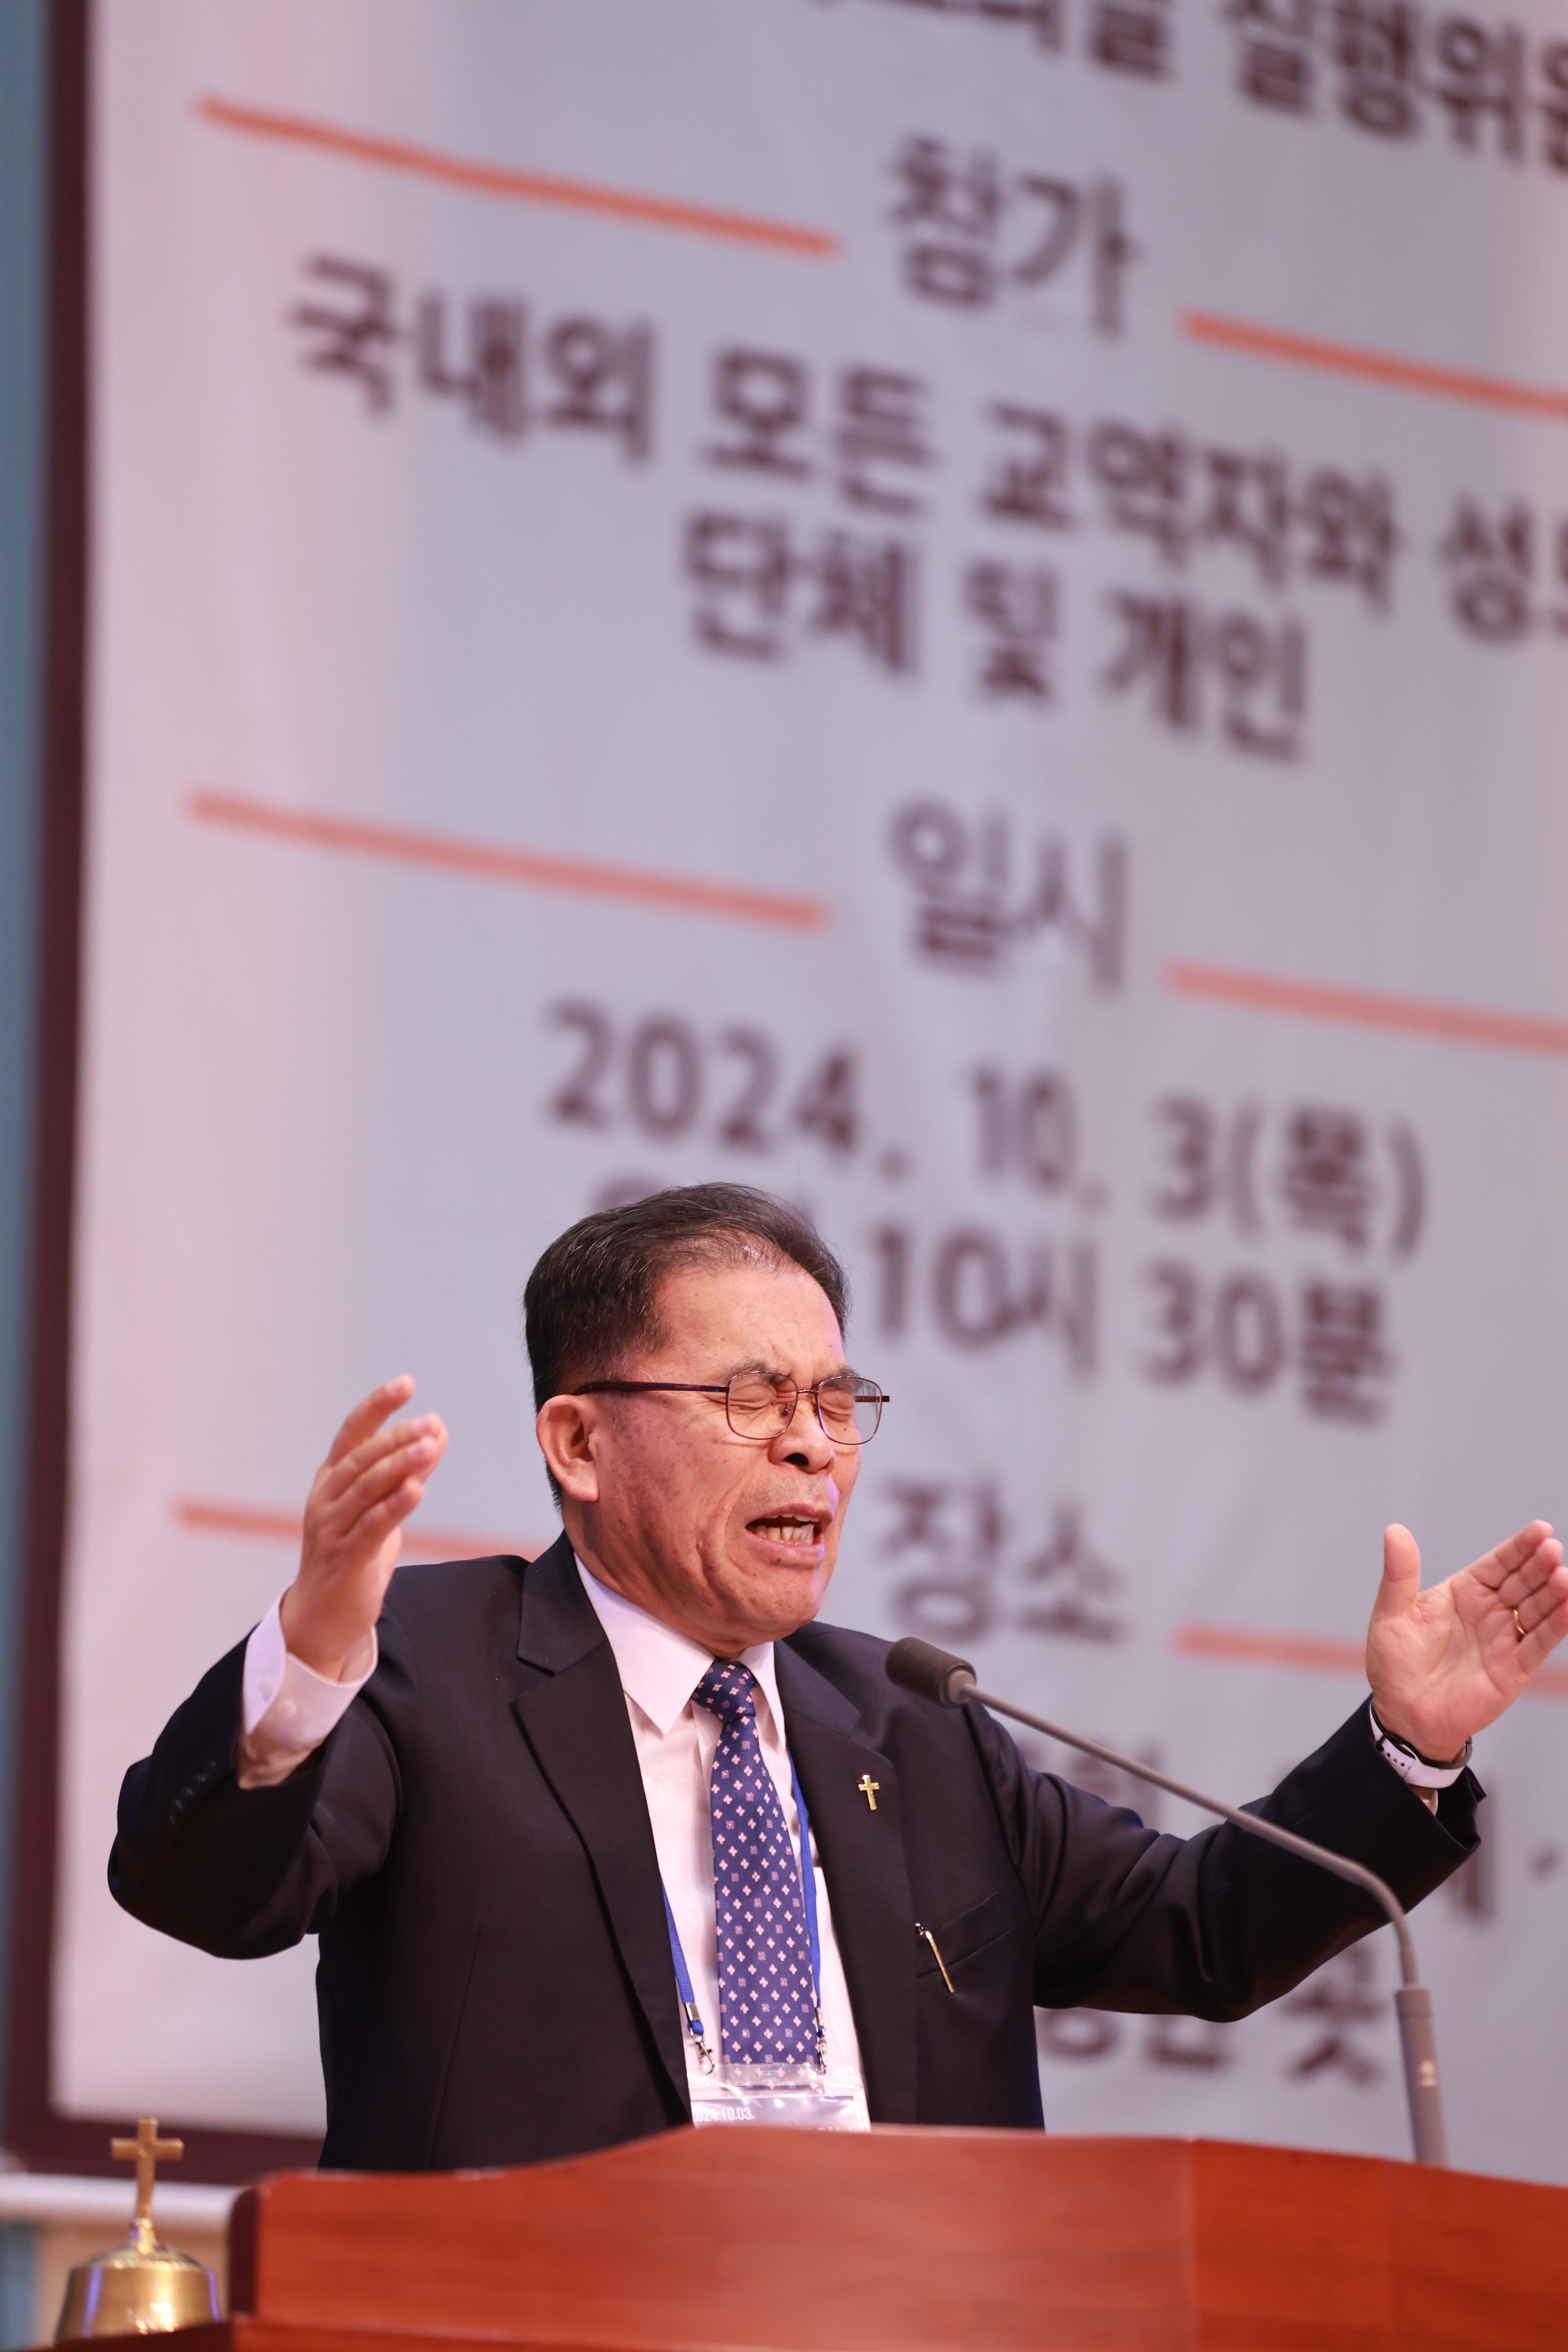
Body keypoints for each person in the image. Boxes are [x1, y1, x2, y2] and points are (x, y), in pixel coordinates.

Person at [111, 1185, 1568, 2169]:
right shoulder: (430, 1668)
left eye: (832, 1399)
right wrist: (311, 1657)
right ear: (580, 1443)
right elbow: (204, 1894)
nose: (812, 1443)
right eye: (750, 1398)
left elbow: (1207, 1931)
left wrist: (1406, 1747)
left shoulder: (918, 1728)